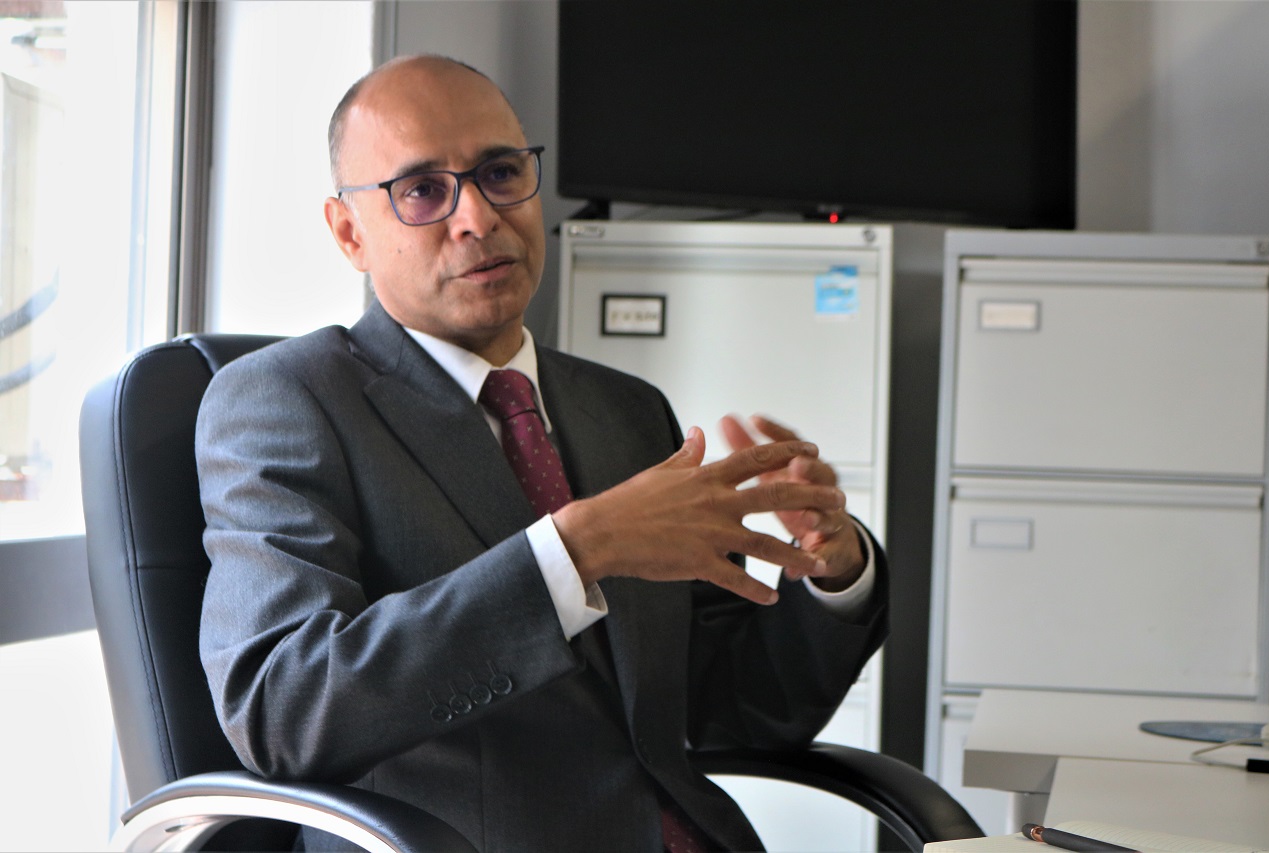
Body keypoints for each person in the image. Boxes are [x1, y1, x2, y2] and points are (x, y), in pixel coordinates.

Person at [197, 54, 888, 852]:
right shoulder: (284, 401)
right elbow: (285, 708)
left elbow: (729, 707)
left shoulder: (625, 410)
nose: (478, 217)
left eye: (500, 173)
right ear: (350, 231)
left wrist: (833, 573)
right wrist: (574, 549)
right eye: (422, 191)